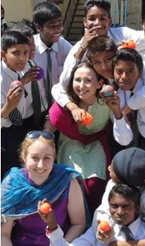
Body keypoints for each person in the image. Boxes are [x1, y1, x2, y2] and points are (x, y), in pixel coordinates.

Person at [52, 0, 145, 119]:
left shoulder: (121, 34)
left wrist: (127, 46)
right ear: (85, 22)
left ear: (110, 21)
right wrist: (82, 48)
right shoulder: (79, 48)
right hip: (102, 106)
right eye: (92, 18)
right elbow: (64, 83)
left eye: (102, 18)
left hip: (132, 97)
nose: (97, 23)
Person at [49, 61, 112, 216]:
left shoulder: (106, 102)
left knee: (94, 184)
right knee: (73, 183)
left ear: (99, 84)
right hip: (71, 142)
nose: (82, 85)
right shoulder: (68, 100)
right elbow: (53, 117)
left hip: (95, 143)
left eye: (88, 80)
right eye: (77, 80)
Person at [1, 130, 86, 245]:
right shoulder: (12, 183)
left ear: (54, 157)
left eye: (47, 158)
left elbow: (79, 224)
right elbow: (3, 234)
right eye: (35, 158)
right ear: (24, 157)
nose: (41, 165)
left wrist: (61, 243)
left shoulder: (67, 181)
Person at [43, 184, 145, 246]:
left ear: (137, 208)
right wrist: (52, 225)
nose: (119, 212)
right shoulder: (98, 233)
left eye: (126, 207)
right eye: (114, 206)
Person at [93, 147, 145, 235]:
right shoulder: (112, 184)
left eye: (113, 168)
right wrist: (103, 232)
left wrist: (123, 244)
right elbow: (103, 215)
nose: (108, 168)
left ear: (124, 178)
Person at [1, 31, 33, 176]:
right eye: (16, 53)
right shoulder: (2, 80)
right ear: (3, 54)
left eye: (26, 53)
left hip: (18, 130)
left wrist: (23, 82)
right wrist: (8, 107)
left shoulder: (19, 72)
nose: (22, 58)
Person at [33, 2, 72, 109]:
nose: (58, 30)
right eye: (51, 26)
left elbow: (77, 60)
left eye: (60, 24)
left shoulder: (63, 45)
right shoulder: (31, 48)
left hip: (59, 105)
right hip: (35, 107)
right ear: (38, 27)